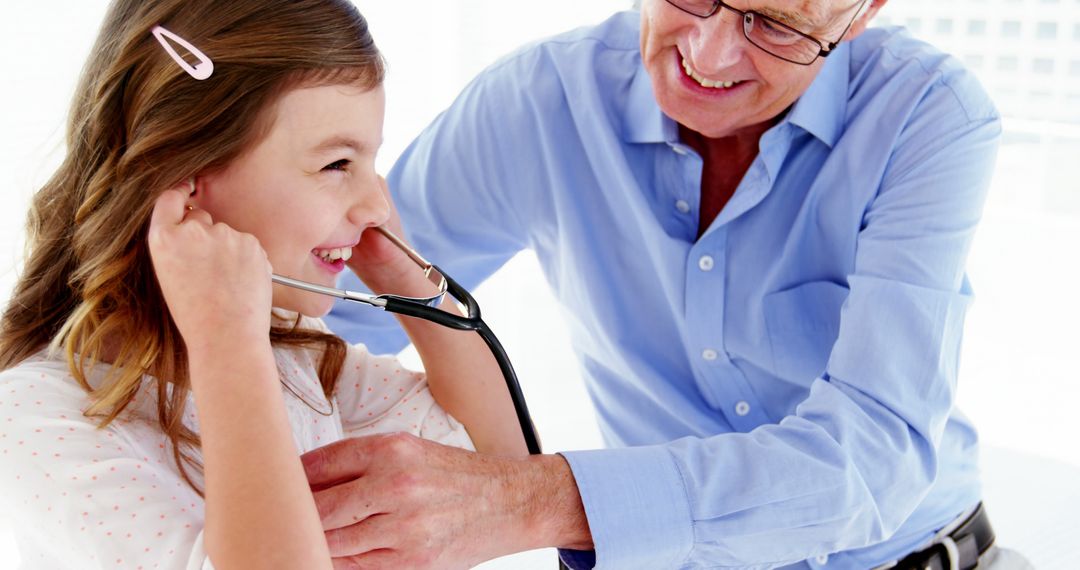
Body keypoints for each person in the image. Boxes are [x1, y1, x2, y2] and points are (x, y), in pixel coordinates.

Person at [317, 0, 1028, 568]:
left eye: (775, 24)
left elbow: (873, 458)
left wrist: (525, 501)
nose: (709, 54)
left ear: (861, 14)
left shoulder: (926, 113)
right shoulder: (538, 102)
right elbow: (328, 306)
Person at [0, 0, 526, 568]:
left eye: (370, 161)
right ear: (187, 176)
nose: (377, 204)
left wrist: (403, 275)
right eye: (336, 165)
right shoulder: (36, 415)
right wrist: (226, 342)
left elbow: (498, 473)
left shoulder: (290, 353)